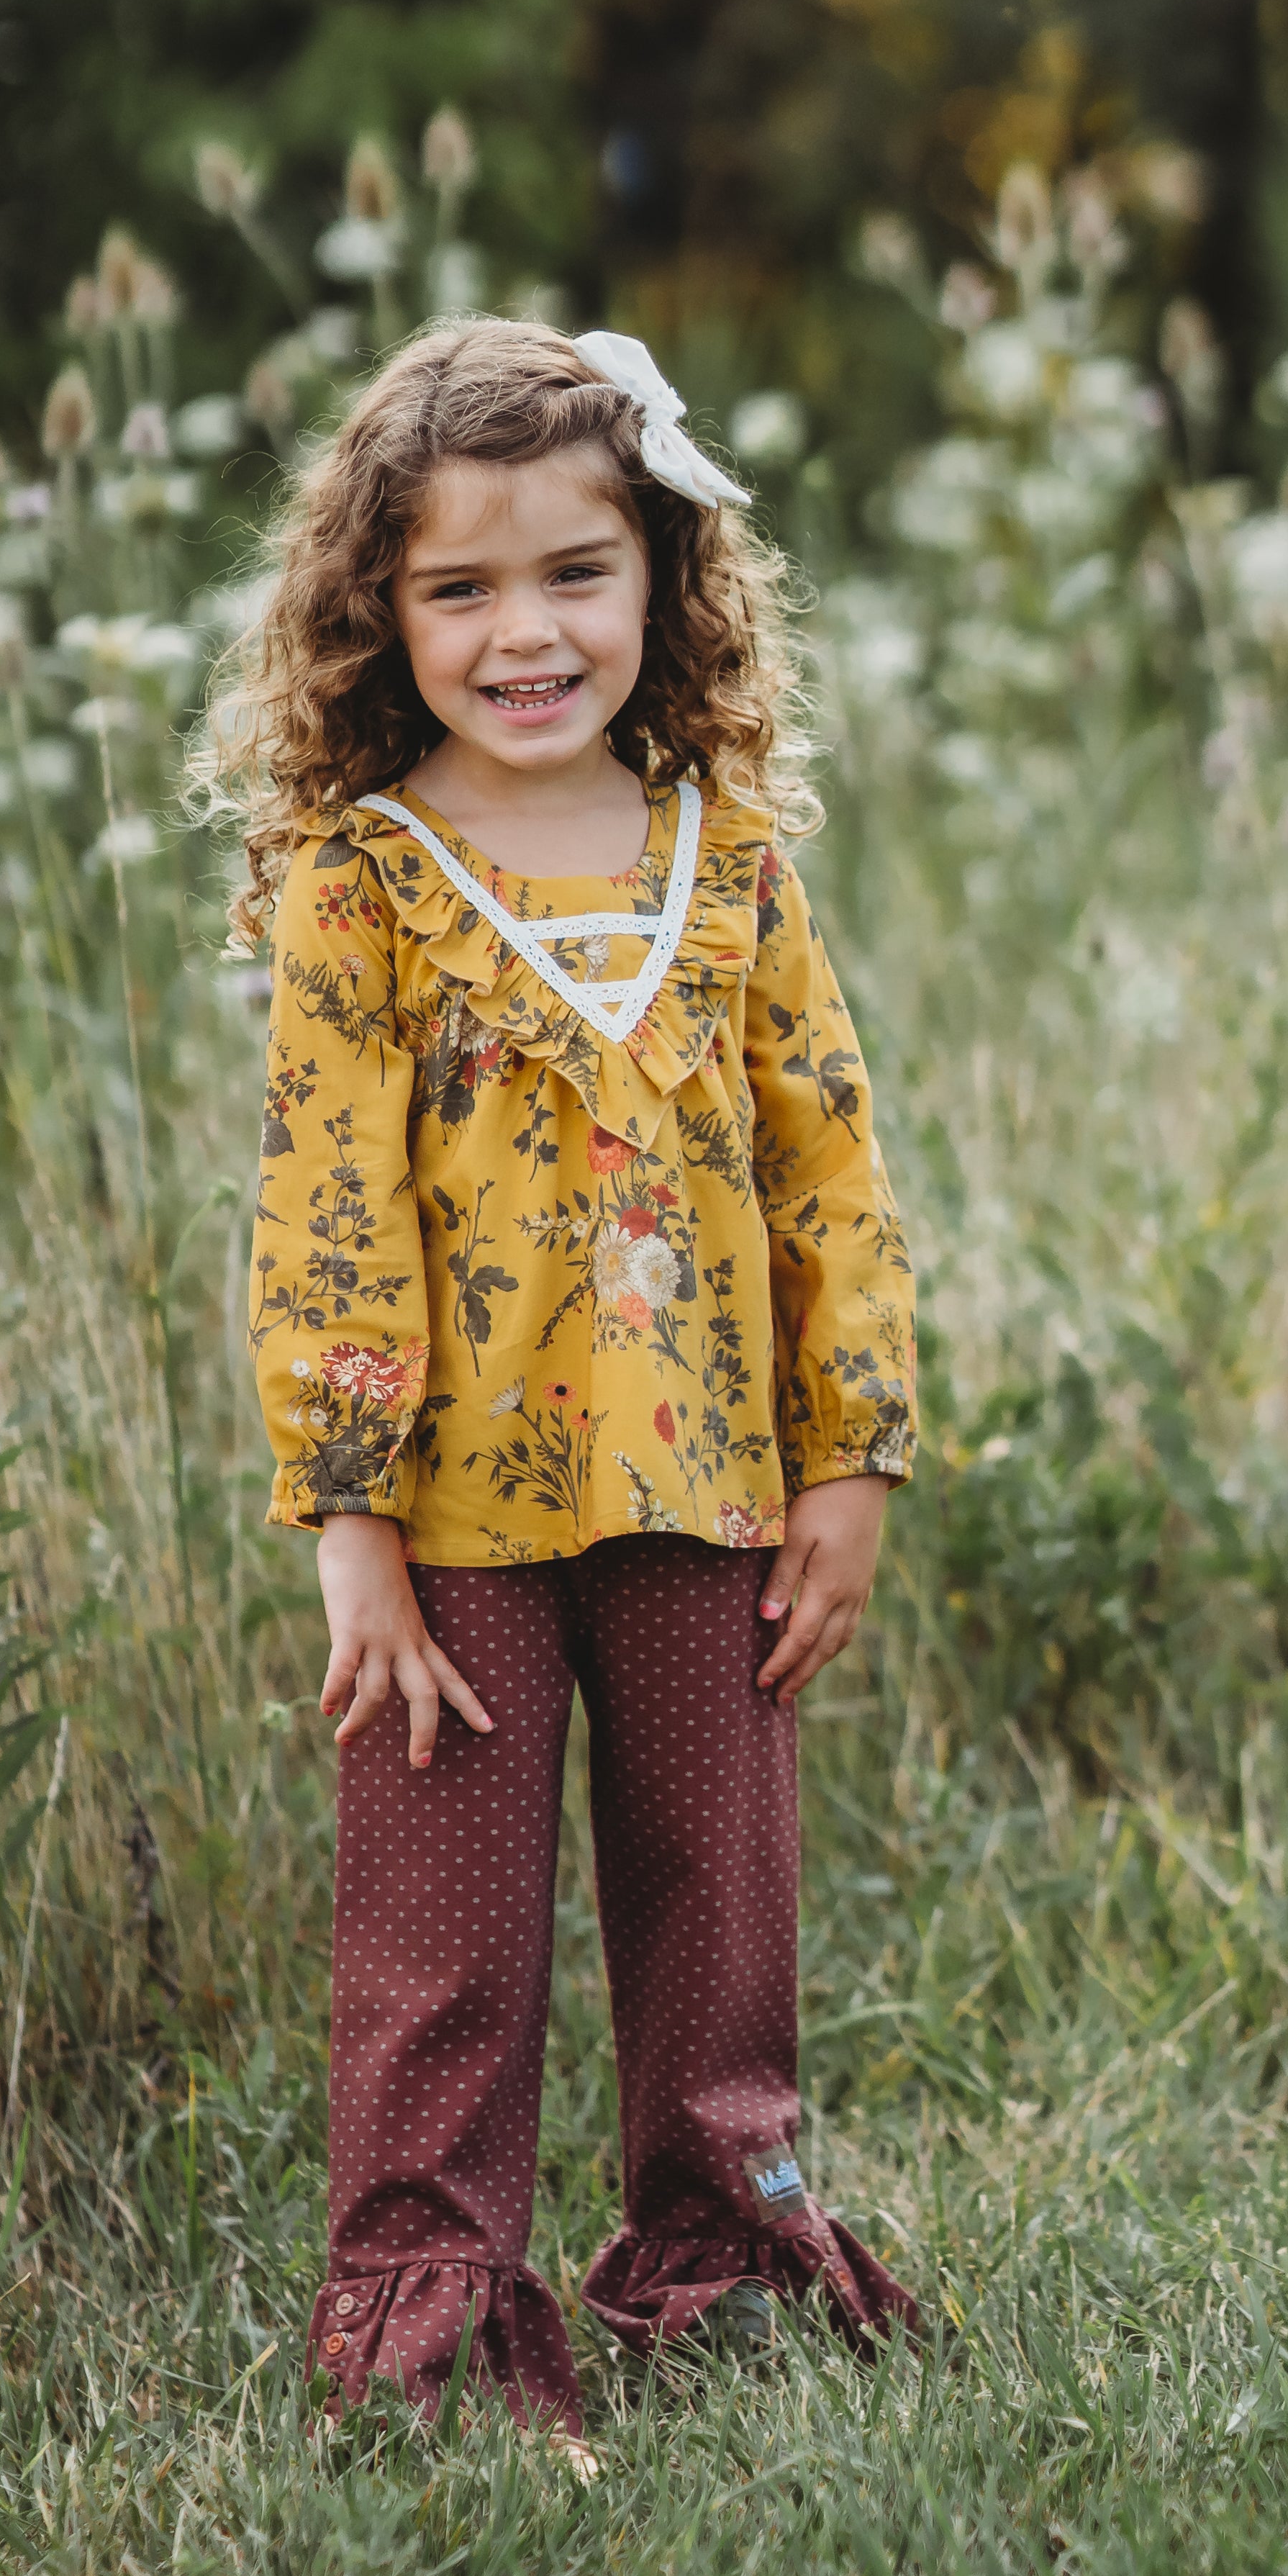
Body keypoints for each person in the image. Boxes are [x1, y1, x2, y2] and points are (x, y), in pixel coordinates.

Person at [201, 315, 920, 2444]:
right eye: (459, 588)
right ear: (381, 611)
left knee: (720, 1894)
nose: (525, 633)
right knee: (442, 1940)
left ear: (661, 577)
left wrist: (852, 1453)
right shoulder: (366, 891)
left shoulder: (728, 864)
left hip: (714, 1485)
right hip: (449, 1521)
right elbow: (327, 1208)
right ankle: (425, 2315)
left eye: (572, 573)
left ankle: (726, 2251)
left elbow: (826, 1157)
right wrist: (348, 1525)